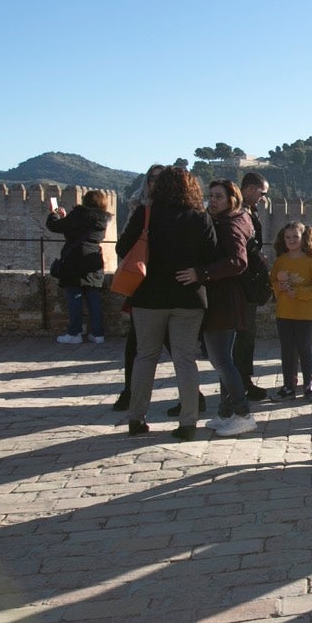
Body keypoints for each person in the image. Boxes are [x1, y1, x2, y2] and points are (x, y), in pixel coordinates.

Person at [118, 167, 218, 440]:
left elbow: (121, 249)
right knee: (185, 359)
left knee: (145, 356)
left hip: (149, 296)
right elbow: (211, 254)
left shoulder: (145, 215)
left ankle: (136, 419)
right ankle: (189, 422)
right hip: (187, 296)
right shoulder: (200, 217)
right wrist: (194, 270)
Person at [179, 180, 257, 437]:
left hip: (224, 301)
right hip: (223, 300)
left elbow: (237, 261)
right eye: (211, 196)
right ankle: (227, 412)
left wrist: (202, 273)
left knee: (222, 360)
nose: (213, 200)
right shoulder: (229, 221)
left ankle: (243, 413)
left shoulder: (230, 225)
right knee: (222, 359)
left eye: (219, 196)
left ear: (232, 199)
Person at [46, 190, 111, 344]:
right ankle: (98, 334)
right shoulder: (103, 220)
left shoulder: (79, 214)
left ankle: (74, 333)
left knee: (74, 296)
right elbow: (80, 229)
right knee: (93, 297)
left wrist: (54, 214)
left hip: (74, 260)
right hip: (94, 259)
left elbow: (55, 226)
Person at [270, 221, 312, 400]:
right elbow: (273, 283)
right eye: (288, 237)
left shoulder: (311, 261)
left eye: (295, 237)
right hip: (284, 312)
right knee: (287, 350)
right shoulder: (281, 260)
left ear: (304, 238)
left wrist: (299, 292)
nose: (291, 240)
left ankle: (309, 385)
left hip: (305, 312)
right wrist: (280, 285)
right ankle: (288, 385)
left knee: (304, 348)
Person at [232, 172, 274, 404]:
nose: (263, 198)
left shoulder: (247, 212)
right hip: (240, 286)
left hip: (248, 285)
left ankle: (244, 381)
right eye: (261, 192)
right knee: (242, 337)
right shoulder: (238, 214)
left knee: (247, 337)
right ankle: (239, 385)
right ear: (249, 189)